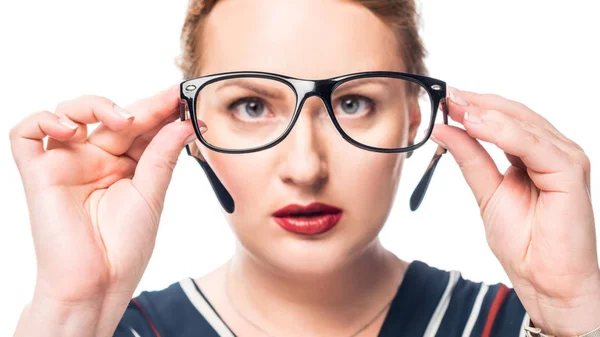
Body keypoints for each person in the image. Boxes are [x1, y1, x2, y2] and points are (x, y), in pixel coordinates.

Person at [9, 0, 600, 336]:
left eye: (353, 103)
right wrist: (71, 305)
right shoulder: (115, 331)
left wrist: (575, 307)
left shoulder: (521, 326)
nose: (306, 166)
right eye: (251, 105)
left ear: (414, 119)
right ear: (188, 130)